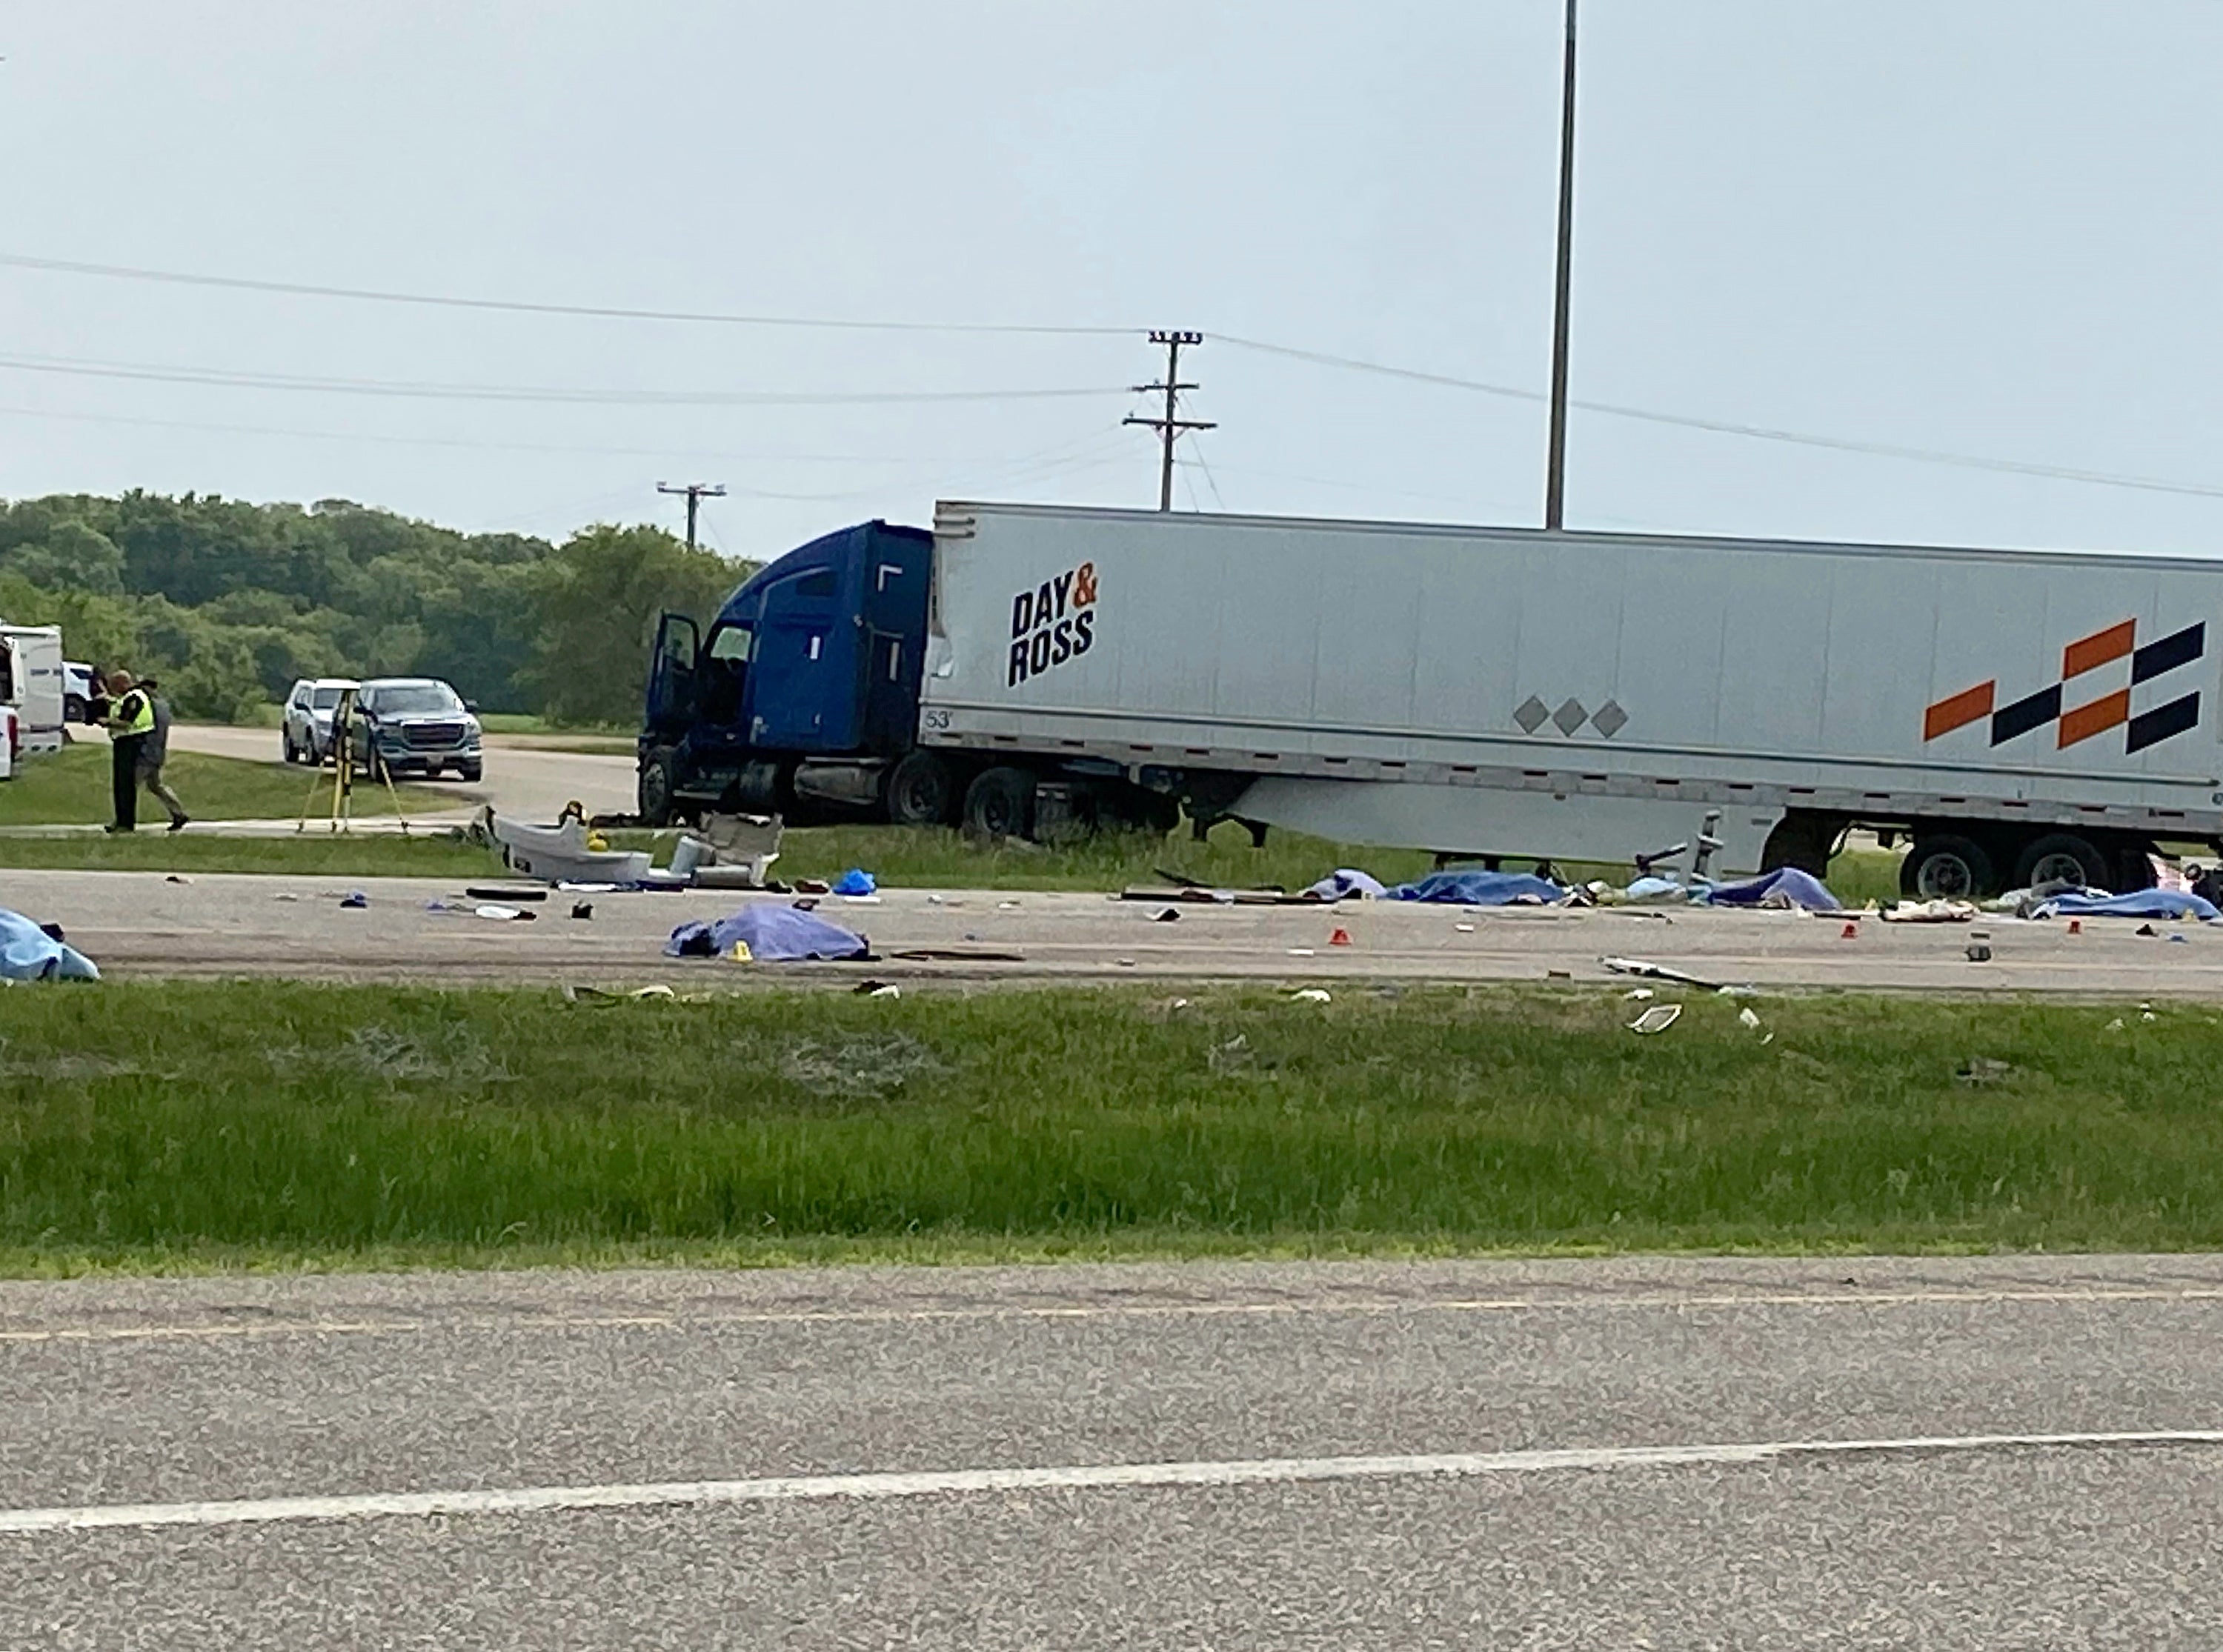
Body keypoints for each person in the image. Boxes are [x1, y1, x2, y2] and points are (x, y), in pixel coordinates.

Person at [135, 674, 189, 833]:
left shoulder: (149, 706)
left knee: (130, 786)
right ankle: (178, 813)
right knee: (156, 786)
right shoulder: (164, 706)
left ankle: (125, 819)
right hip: (158, 752)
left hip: (146, 752)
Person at [103, 670, 154, 833]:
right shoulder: (129, 697)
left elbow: (126, 722)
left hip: (130, 743)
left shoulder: (134, 698)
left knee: (125, 786)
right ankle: (121, 820)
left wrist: (107, 722)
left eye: (115, 686)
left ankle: (125, 823)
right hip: (127, 742)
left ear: (122, 683)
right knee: (120, 785)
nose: (114, 690)